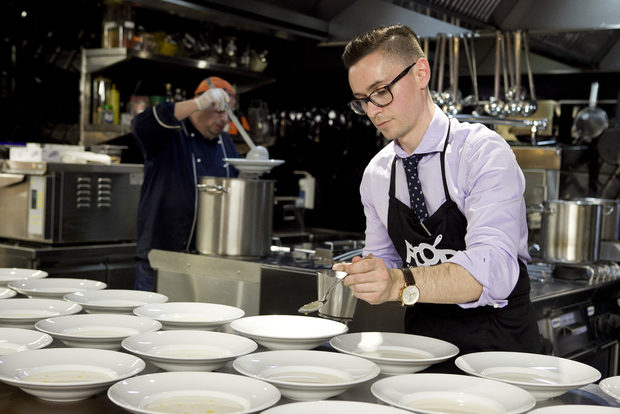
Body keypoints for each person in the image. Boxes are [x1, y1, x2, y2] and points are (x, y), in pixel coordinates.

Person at [335, 25, 543, 356]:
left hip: (500, 355)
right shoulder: (376, 173)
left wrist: (397, 283)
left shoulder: (481, 152)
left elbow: (493, 270)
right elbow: (386, 261)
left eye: (381, 91)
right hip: (423, 352)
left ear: (421, 73)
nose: (373, 110)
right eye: (362, 101)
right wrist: (368, 274)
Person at [132, 76, 240, 291]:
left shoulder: (225, 143)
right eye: (218, 108)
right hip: (161, 260)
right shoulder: (170, 134)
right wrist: (199, 103)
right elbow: (141, 124)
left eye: (228, 111)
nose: (224, 118)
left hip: (209, 262)